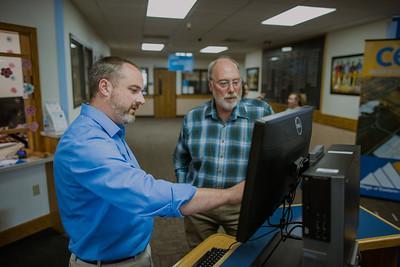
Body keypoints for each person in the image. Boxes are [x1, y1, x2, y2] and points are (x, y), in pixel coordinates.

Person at [54, 56, 245, 267]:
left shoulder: (110, 131)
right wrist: (230, 195)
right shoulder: (86, 142)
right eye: (134, 90)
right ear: (105, 87)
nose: (142, 99)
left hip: (131, 255)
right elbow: (145, 193)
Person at [173, 56, 274, 249]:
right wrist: (184, 192)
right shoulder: (193, 118)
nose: (231, 89)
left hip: (242, 206)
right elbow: (181, 158)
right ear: (211, 85)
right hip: (200, 204)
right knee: (199, 256)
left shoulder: (262, 113)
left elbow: (273, 159)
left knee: (246, 255)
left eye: (236, 82)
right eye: (224, 83)